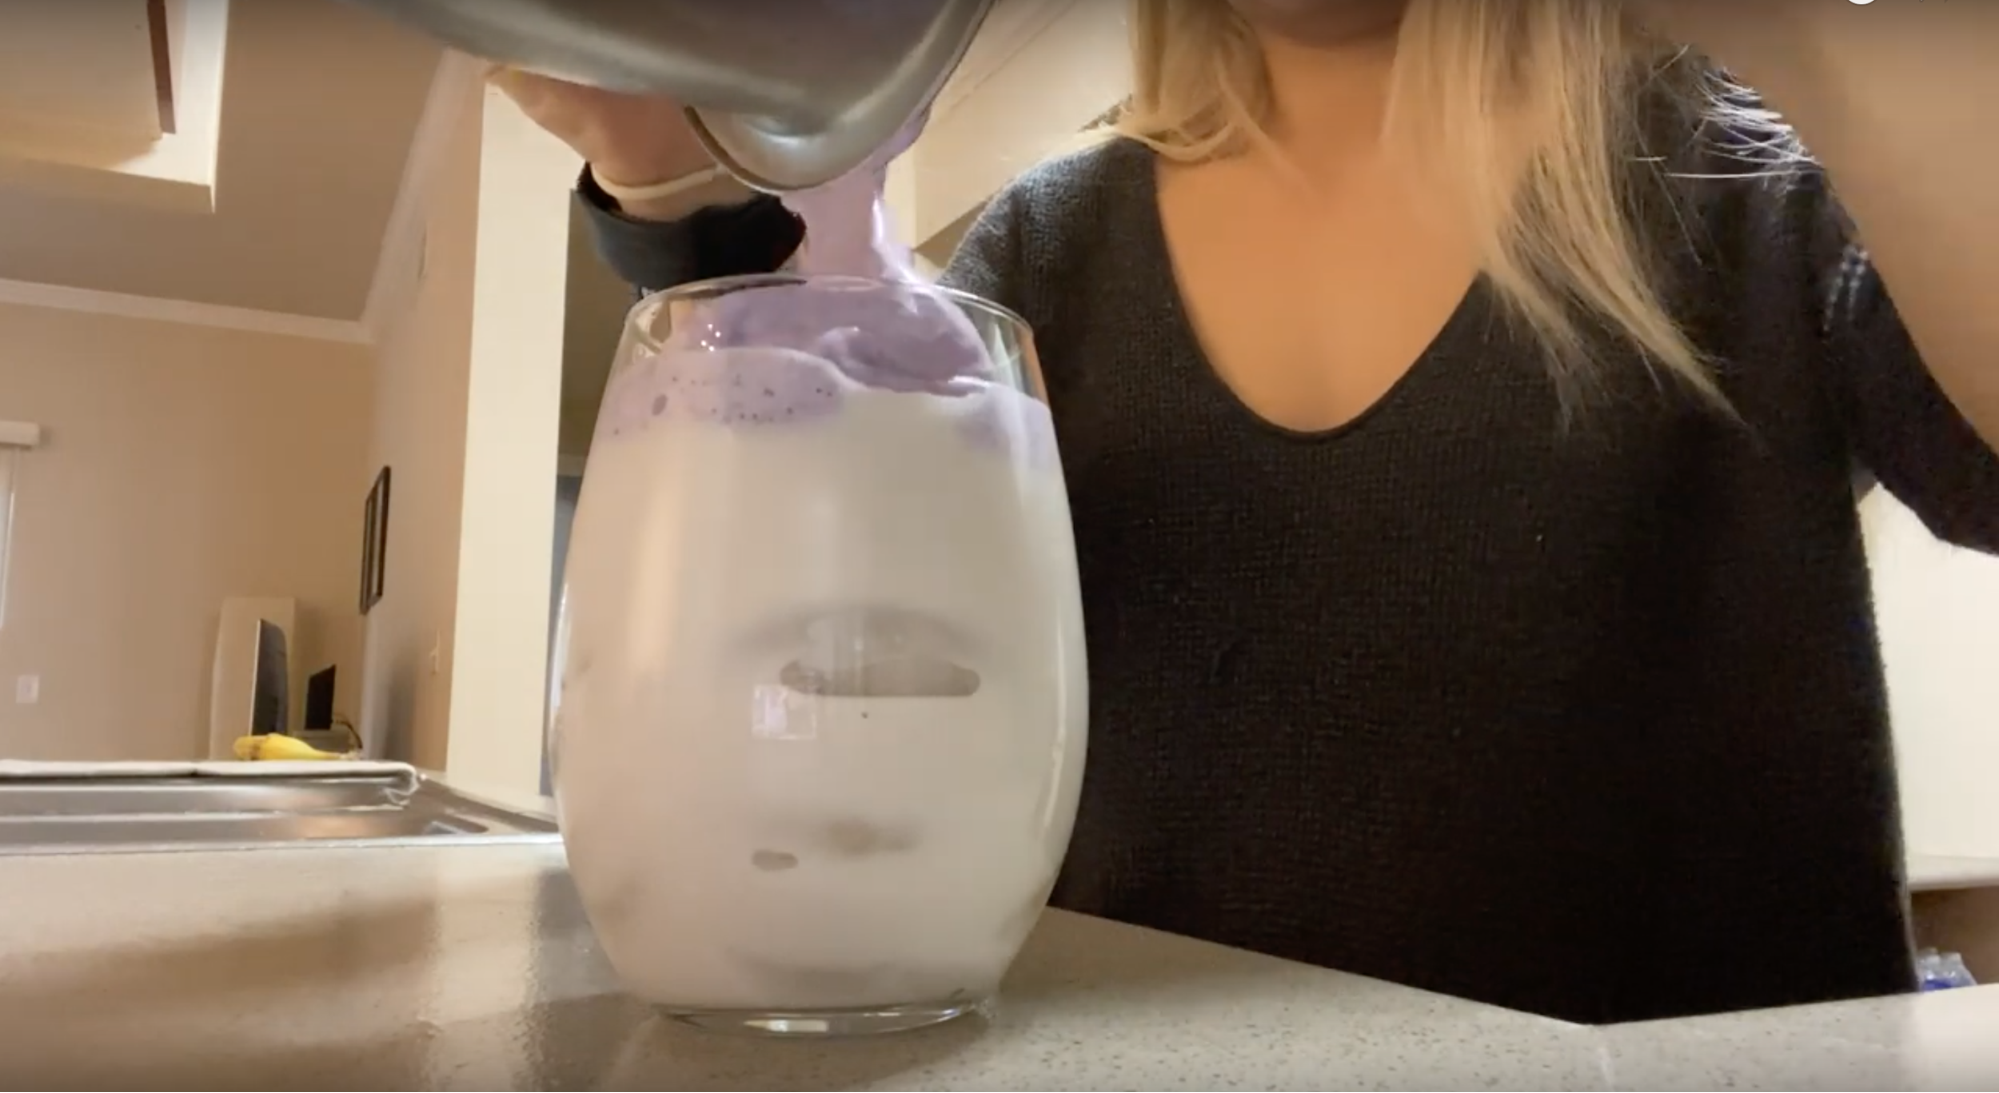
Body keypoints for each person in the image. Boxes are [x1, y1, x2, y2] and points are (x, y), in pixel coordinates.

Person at [501, 0, 1999, 1024]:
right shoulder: (1053, 242)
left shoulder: (1755, 181)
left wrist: (1814, 39)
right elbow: (813, 604)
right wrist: (676, 168)